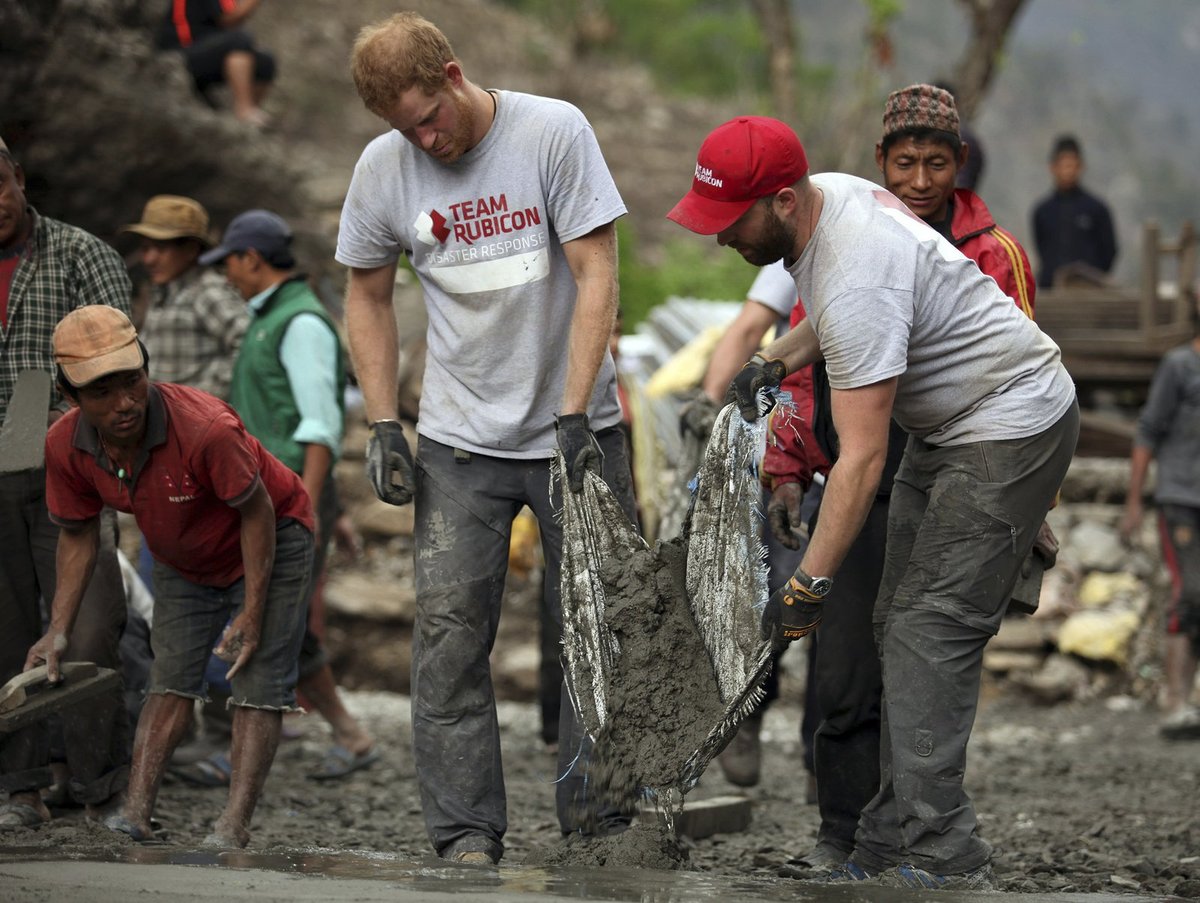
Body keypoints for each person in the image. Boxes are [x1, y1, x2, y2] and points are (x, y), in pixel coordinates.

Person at [668, 115, 1079, 890]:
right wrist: (774, 358)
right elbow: (842, 318)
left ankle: (946, 855)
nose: (718, 237)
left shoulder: (857, 266)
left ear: (784, 200)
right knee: (896, 621)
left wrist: (807, 586)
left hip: (1009, 423)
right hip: (952, 421)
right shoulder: (834, 204)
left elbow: (857, 462)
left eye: (731, 221)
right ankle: (887, 840)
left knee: (929, 630)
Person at [337, 12, 638, 865]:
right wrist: (384, 420)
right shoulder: (384, 167)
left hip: (577, 432)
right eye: (405, 129)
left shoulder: (552, 131)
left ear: (454, 73)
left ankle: (600, 824)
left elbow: (597, 271)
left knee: (595, 628)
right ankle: (466, 831)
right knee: (447, 634)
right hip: (460, 442)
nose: (425, 140)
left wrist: (575, 409)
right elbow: (366, 292)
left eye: (431, 117)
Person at [766, 84, 1041, 872]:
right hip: (860, 484)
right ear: (881, 164)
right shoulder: (843, 243)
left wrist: (1031, 512)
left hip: (953, 481)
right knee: (846, 670)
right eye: (905, 163)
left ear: (960, 165)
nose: (920, 180)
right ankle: (841, 831)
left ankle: (914, 837)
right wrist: (785, 465)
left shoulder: (994, 254)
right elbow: (804, 366)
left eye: (937, 163)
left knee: (924, 665)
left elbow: (1022, 381)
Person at [27, 306, 315, 849]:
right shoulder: (67, 445)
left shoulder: (205, 429)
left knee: (257, 681)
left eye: (132, 382)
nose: (125, 403)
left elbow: (258, 512)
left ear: (145, 367)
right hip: (183, 557)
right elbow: (79, 534)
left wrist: (252, 610)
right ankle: (134, 812)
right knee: (171, 677)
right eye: (102, 393)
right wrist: (57, 629)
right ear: (71, 397)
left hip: (273, 538)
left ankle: (232, 826)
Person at [201, 209, 377, 778]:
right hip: (276, 496)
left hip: (287, 500)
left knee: (272, 621)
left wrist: (312, 509)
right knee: (284, 622)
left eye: (229, 261)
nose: (226, 275)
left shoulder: (299, 323)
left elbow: (319, 425)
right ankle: (350, 735)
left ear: (251, 259)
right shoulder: (271, 317)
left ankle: (250, 752)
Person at [0, 137, 131, 830]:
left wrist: (67, 413)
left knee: (86, 626)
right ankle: (20, 787)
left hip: (69, 461)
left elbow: (120, 365)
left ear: (18, 179)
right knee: (7, 627)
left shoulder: (82, 254)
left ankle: (98, 785)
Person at [678, 260, 823, 793]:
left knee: (848, 618)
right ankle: (746, 710)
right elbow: (748, 327)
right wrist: (711, 397)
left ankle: (827, 759)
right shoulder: (803, 257)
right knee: (781, 597)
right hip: (797, 450)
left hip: (870, 453)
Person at [1120, 306, 1200, 740]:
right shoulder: (1179, 367)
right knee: (1189, 592)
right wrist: (1134, 502)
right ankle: (1175, 701)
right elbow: (1147, 432)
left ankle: (1188, 702)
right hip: (1182, 499)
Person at [123, 195, 249, 401]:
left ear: (190, 250)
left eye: (161, 249)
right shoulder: (163, 293)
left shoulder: (206, 291)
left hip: (198, 421)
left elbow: (247, 344)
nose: (149, 259)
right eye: (145, 249)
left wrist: (201, 397)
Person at [155, 0, 275, 126]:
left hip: (203, 51)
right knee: (240, 39)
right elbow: (229, 19)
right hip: (176, 57)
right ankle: (244, 110)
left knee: (265, 63)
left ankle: (247, 120)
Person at [1031, 134, 1118, 289]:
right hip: (1051, 293)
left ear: (1081, 167)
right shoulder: (1042, 211)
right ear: (1053, 167)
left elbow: (1109, 252)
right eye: (1063, 165)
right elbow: (1042, 249)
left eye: (1072, 165)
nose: (1068, 171)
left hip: (1091, 295)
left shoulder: (1097, 209)